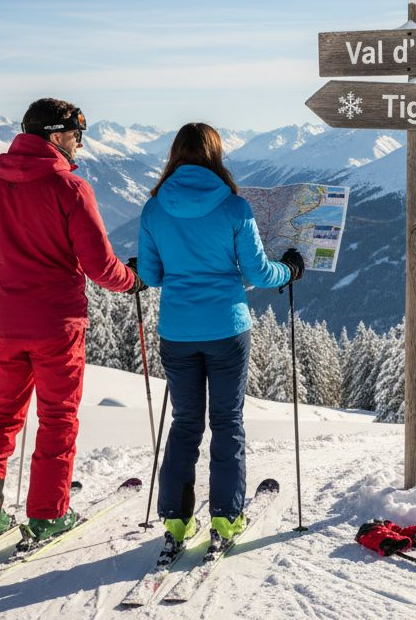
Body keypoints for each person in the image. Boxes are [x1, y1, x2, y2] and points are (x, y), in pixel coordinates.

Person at [0, 97, 143, 551]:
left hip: (4, 325)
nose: (79, 145)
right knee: (57, 418)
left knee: (2, 415)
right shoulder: (69, 188)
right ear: (56, 135)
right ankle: (48, 515)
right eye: (77, 136)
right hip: (58, 326)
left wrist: (5, 288)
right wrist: (131, 281)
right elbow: (99, 265)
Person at [135, 122, 303, 552]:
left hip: (177, 331)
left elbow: (150, 276)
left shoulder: (154, 209)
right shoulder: (234, 208)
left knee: (185, 423)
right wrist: (291, 269)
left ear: (175, 154)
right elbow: (259, 274)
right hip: (227, 329)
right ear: (215, 155)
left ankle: (175, 521)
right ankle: (226, 521)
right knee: (227, 423)